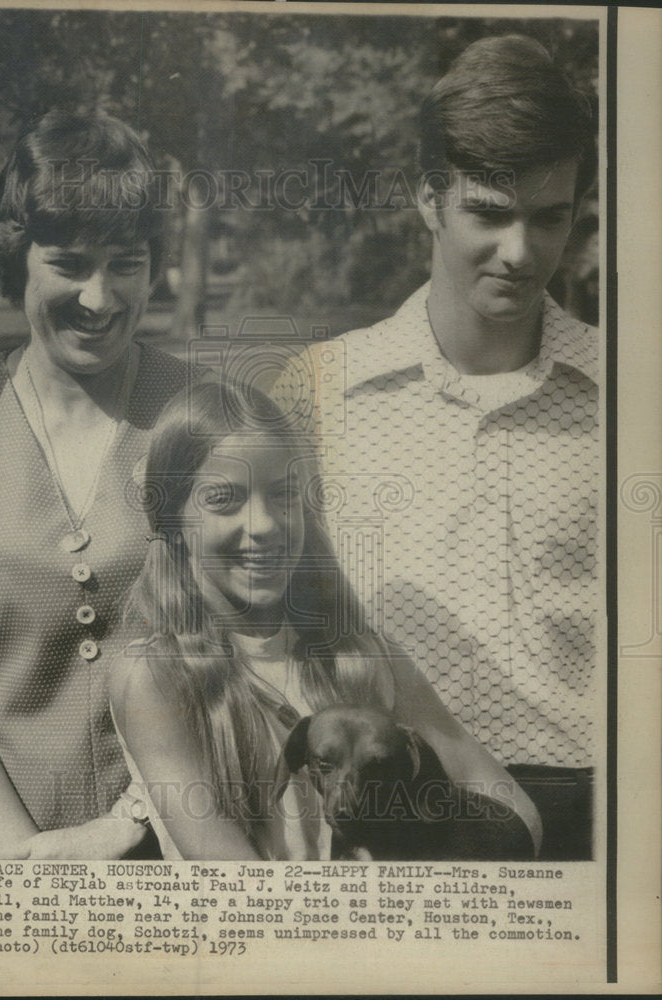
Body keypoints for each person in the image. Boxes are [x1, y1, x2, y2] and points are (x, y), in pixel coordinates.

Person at [271, 35, 598, 859]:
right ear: (427, 197)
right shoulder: (316, 392)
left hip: (598, 825)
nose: (521, 253)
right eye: (488, 212)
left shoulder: (633, 396)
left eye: (549, 217)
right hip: (390, 821)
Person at [0, 109, 199, 859]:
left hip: (178, 848)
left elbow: (258, 655)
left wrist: (128, 823)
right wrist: (20, 852)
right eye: (70, 263)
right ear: (19, 258)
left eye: (126, 263)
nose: (100, 299)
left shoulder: (207, 421)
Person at [109, 380, 542, 860]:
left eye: (283, 495)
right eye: (223, 499)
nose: (265, 524)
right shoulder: (157, 676)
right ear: (172, 519)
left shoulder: (363, 656)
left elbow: (514, 808)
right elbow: (230, 880)